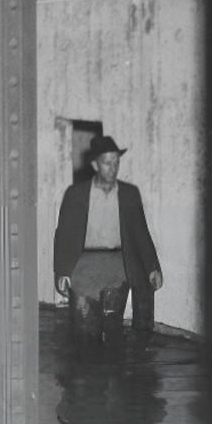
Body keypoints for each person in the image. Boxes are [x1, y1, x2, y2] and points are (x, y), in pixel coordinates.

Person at [53, 135, 162, 343]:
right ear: (95, 164)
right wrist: (62, 271)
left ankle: (112, 361)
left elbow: (141, 233)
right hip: (84, 265)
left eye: (116, 162)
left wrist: (152, 267)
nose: (113, 168)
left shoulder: (129, 194)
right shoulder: (76, 194)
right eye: (107, 163)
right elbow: (63, 234)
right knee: (84, 330)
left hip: (117, 265)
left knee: (112, 326)